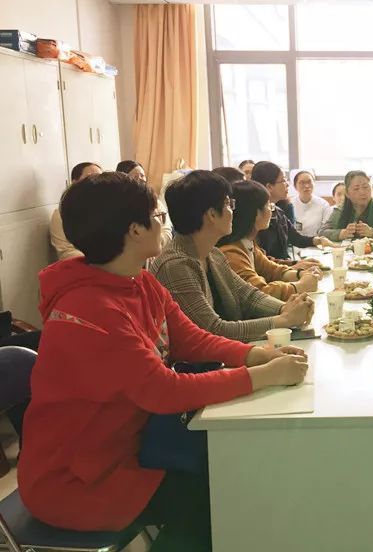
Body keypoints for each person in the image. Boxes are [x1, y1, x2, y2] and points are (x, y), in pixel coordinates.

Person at [17, 172, 308, 551]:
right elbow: (164, 391)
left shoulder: (138, 281)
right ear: (134, 230)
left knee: (233, 465)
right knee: (221, 493)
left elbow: (191, 339)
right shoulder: (87, 311)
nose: (163, 225)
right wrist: (262, 376)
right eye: (157, 217)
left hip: (130, 447)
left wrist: (256, 355)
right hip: (79, 480)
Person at [149, 170, 314, 342]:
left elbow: (248, 295)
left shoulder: (213, 254)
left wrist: (286, 308)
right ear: (212, 215)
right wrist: (283, 320)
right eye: (228, 204)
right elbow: (212, 329)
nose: (233, 211)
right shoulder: (176, 265)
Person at [219, 180, 321, 300]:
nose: (272, 210)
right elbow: (260, 294)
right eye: (268, 205)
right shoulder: (231, 253)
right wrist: (300, 286)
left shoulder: (247, 243)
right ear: (257, 213)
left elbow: (271, 270)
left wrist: (300, 274)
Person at [251, 162, 334, 259]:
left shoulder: (278, 211)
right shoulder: (256, 217)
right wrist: (293, 265)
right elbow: (263, 260)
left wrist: (318, 240)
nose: (287, 184)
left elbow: (295, 238)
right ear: (269, 186)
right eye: (283, 180)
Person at [320, 170, 373, 241]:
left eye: (365, 187)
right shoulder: (341, 210)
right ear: (347, 193)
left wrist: (372, 232)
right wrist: (341, 233)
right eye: (356, 189)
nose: (362, 192)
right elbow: (322, 232)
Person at [50, 162, 102, 260]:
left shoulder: (110, 206)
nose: (97, 181)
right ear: (75, 183)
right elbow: (66, 251)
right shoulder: (62, 213)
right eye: (90, 177)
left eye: (100, 177)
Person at [118, 160, 172, 248]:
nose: (141, 179)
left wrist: (155, 244)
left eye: (142, 175)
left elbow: (167, 232)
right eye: (135, 177)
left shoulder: (156, 203)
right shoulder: (120, 207)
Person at [291, 169, 333, 237]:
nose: (306, 186)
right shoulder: (290, 204)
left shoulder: (323, 205)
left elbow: (326, 229)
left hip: (317, 241)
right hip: (295, 241)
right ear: (295, 186)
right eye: (302, 182)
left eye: (309, 182)